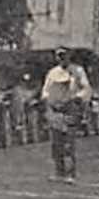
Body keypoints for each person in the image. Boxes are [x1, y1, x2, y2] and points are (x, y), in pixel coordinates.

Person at [41, 47, 92, 181]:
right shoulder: (52, 73)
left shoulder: (77, 71)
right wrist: (48, 102)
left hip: (70, 108)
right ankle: (59, 172)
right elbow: (45, 90)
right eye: (59, 56)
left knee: (69, 142)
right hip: (55, 109)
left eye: (64, 55)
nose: (62, 58)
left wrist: (77, 98)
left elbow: (86, 89)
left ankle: (71, 173)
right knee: (56, 143)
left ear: (69, 56)